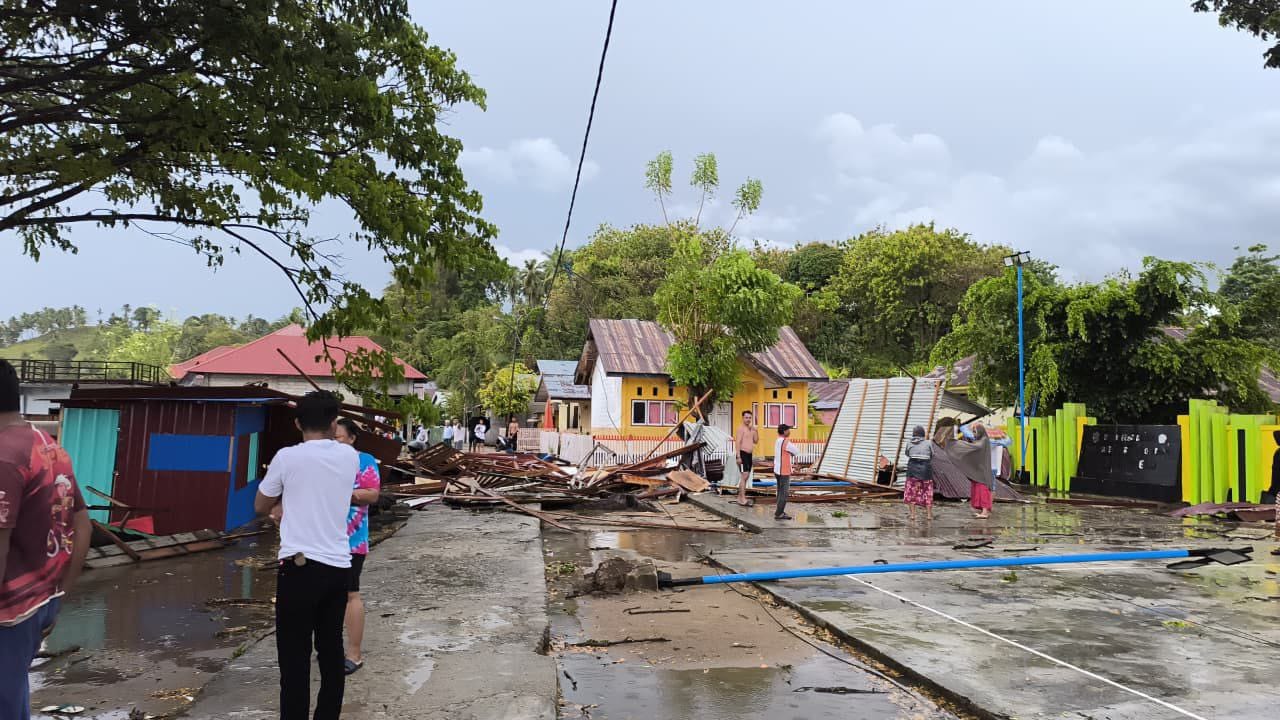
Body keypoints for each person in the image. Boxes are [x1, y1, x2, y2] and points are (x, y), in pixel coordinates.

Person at [256, 391, 359, 720]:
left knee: (294, 658)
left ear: (298, 422)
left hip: (298, 569)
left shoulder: (287, 458)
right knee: (330, 652)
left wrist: (278, 504)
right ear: (333, 423)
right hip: (338, 568)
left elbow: (260, 505)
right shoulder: (350, 457)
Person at [0, 360, 92, 720]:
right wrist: (60, 594)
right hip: (42, 600)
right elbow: (82, 526)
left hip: (10, 611)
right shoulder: (46, 443)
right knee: (12, 696)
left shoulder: (5, 457)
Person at [334, 419, 380, 676]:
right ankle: (329, 648)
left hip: (351, 540)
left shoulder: (364, 461)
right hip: (321, 539)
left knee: (350, 593)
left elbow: (372, 494)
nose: (334, 443)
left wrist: (341, 494)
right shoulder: (322, 462)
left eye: (338, 438)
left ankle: (354, 653)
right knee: (326, 596)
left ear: (352, 439)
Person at [952, 424, 995, 519]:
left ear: (980, 431)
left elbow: (974, 448)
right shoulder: (980, 441)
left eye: (975, 432)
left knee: (983, 491)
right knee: (978, 490)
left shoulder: (983, 441)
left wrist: (959, 445)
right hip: (978, 471)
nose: (974, 434)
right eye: (973, 432)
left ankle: (984, 512)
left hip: (982, 472)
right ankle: (983, 510)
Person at [904, 425, 935, 522]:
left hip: (912, 469)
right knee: (927, 492)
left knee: (911, 492)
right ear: (923, 433)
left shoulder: (909, 443)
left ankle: (913, 515)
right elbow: (932, 454)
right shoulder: (928, 443)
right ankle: (929, 515)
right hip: (926, 470)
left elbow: (907, 454)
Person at [773, 423, 799, 520]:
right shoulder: (785, 441)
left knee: (780, 491)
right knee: (784, 492)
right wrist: (791, 452)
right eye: (788, 430)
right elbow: (796, 451)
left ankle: (779, 511)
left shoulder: (778, 440)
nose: (789, 431)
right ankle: (779, 513)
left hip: (777, 469)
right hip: (784, 470)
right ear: (784, 431)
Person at [735, 411, 759, 505]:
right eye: (746, 417)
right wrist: (738, 456)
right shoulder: (741, 429)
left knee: (746, 476)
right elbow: (737, 442)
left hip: (749, 455)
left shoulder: (752, 429)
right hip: (742, 454)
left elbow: (756, 441)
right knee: (744, 476)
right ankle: (742, 499)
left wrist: (756, 430)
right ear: (743, 418)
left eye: (749, 418)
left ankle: (740, 498)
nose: (748, 419)